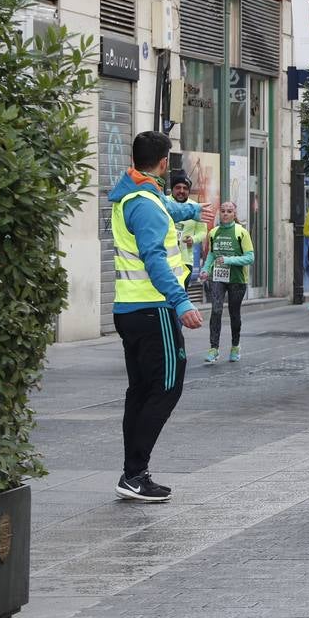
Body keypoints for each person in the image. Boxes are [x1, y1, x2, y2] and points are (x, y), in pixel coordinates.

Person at [109, 132, 215, 502]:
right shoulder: (147, 203)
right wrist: (181, 301)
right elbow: (154, 257)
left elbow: (166, 208)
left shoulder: (135, 194)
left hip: (130, 309)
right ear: (162, 164)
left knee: (140, 391)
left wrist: (192, 210)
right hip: (154, 309)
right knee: (167, 386)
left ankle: (133, 473)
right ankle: (135, 472)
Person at [199, 201, 255, 363]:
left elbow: (250, 257)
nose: (225, 214)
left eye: (229, 211)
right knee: (216, 310)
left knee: (234, 313)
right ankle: (213, 348)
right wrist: (205, 269)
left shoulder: (241, 232)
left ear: (234, 214)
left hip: (237, 279)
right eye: (223, 211)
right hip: (218, 277)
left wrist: (228, 260)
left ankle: (235, 346)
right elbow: (211, 254)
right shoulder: (214, 232)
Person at [170, 171, 206, 295]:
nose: (181, 191)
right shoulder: (164, 203)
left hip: (185, 261)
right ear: (172, 189)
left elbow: (202, 232)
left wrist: (193, 239)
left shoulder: (195, 207)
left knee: (181, 295)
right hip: (165, 260)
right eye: (178, 187)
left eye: (185, 188)